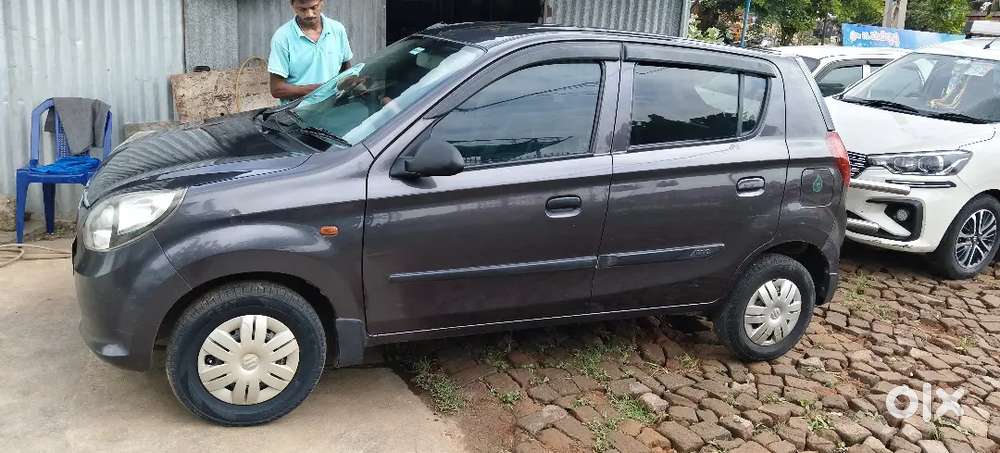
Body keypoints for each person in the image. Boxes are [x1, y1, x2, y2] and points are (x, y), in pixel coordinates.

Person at [268, 0, 353, 102]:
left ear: (322, 2)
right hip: (299, 112)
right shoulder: (282, 37)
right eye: (302, 9)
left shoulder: (337, 29)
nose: (309, 14)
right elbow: (276, 89)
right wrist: (316, 90)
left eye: (314, 7)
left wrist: (353, 82)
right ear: (292, 5)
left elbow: (346, 70)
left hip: (334, 106)